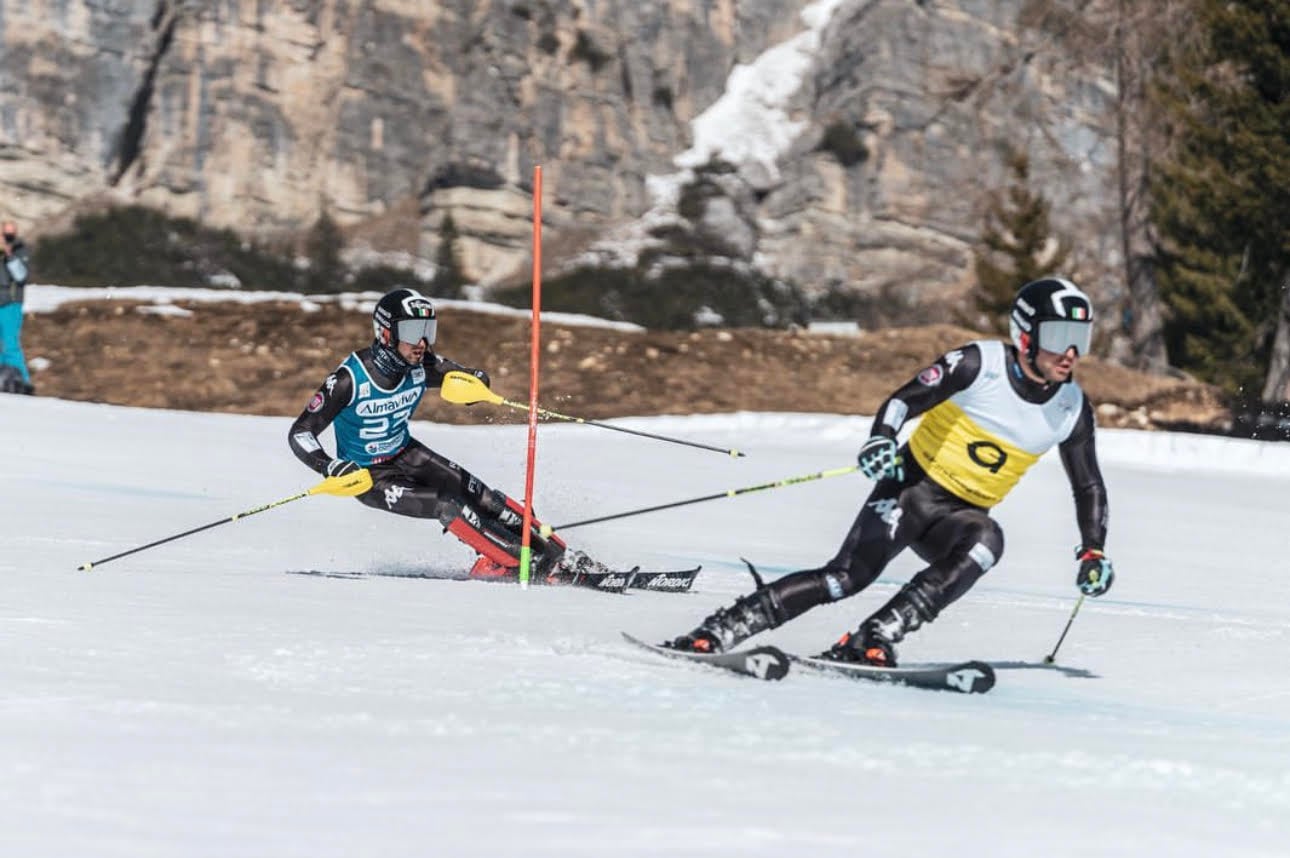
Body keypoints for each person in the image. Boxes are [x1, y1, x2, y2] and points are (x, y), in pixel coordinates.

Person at [665, 276, 1114, 664]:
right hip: (910, 491)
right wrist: (882, 438)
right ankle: (721, 630)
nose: (1071, 352)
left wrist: (1092, 549)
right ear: (1025, 335)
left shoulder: (1070, 408)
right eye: (1058, 335)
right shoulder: (980, 366)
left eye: (1081, 338)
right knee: (844, 580)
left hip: (959, 518)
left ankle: (875, 636)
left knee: (987, 542)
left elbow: (1088, 483)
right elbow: (904, 400)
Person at [288, 287, 603, 583]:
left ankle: (557, 555)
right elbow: (300, 433)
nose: (422, 342)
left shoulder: (422, 364)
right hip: (370, 477)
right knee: (447, 505)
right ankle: (516, 564)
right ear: (385, 333)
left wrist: (476, 381)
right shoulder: (349, 379)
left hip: (406, 453)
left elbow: (462, 375)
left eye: (428, 331)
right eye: (412, 332)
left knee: (484, 498)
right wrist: (328, 465)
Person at [0, 220, 34, 395]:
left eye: (10, 233)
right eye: (4, 232)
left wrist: (9, 255)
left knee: (10, 344)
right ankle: (4, 379)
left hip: (11, 303)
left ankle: (23, 382)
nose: (7, 236)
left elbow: (21, 276)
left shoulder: (20, 250)